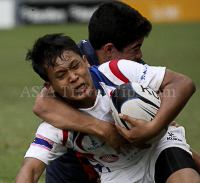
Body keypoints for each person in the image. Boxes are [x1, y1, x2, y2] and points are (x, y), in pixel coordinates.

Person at [32, 1, 200, 181]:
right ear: (109, 49)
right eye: (135, 48)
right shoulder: (71, 63)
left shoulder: (128, 67)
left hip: (124, 156)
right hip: (72, 162)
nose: (140, 55)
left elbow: (166, 132)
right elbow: (43, 104)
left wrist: (156, 123)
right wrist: (104, 130)